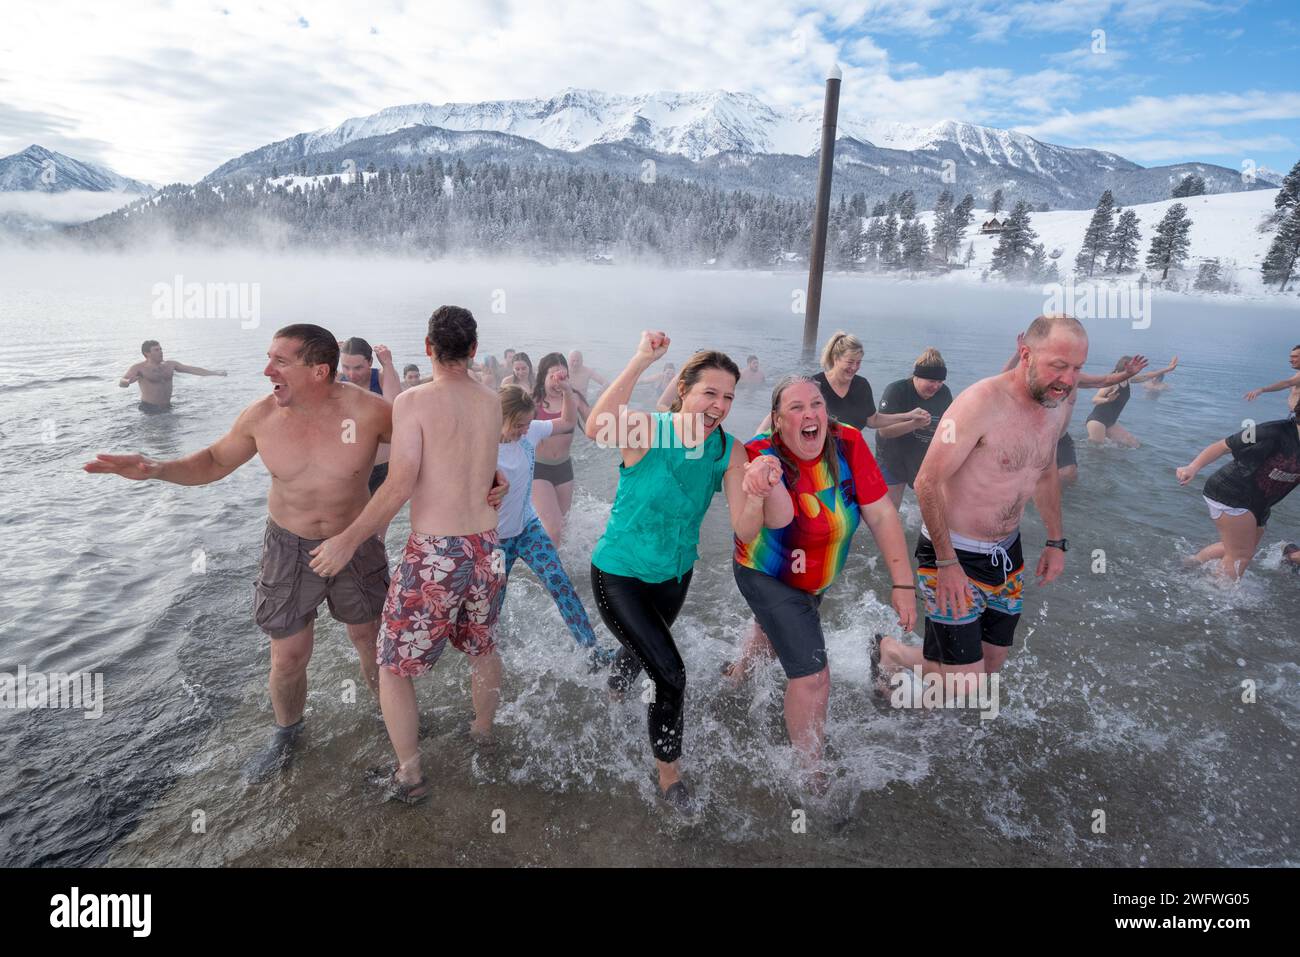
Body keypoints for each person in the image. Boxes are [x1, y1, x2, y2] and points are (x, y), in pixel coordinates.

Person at [89, 325, 393, 781]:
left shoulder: (370, 412)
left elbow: (424, 453)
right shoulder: (261, 417)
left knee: (369, 639)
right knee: (288, 655)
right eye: (269, 358)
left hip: (355, 541)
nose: (267, 369)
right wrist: (157, 469)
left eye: (280, 362)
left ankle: (389, 718)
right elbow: (213, 461)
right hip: (289, 546)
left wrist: (488, 479)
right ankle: (287, 733)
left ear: (319, 371)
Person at [308, 306, 510, 804]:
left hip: (437, 552)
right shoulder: (491, 401)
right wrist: (496, 483)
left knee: (393, 667)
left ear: (427, 348)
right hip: (488, 547)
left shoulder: (415, 402)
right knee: (482, 648)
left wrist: (347, 539)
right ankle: (483, 734)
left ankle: (410, 774)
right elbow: (480, 466)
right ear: (473, 349)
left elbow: (399, 484)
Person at [585, 333, 789, 815]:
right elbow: (596, 426)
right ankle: (669, 777)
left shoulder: (729, 451)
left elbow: (744, 526)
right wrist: (639, 359)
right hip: (619, 572)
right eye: (709, 393)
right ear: (683, 390)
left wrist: (758, 490)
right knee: (671, 673)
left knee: (641, 652)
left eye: (728, 398)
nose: (719, 406)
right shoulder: (647, 430)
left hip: (674, 578)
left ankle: (613, 694)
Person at [727, 375, 916, 789]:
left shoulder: (846, 441)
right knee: (813, 674)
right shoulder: (760, 455)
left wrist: (902, 583)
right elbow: (744, 522)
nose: (810, 414)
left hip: (815, 577)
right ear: (777, 421)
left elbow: (881, 514)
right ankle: (811, 771)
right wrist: (757, 482)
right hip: (766, 574)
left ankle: (738, 673)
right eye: (796, 408)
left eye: (816, 404)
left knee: (775, 633)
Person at [876, 314, 1083, 685]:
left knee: (988, 669)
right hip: (953, 552)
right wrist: (947, 562)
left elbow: (1046, 470)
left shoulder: (1059, 404)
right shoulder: (980, 403)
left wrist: (1055, 540)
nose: (1068, 380)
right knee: (963, 680)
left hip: (1007, 554)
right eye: (1059, 366)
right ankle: (892, 652)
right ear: (1026, 354)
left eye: (1077, 368)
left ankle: (919, 692)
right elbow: (926, 481)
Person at [494, 384, 611, 666]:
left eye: (527, 424)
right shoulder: (482, 446)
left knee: (559, 581)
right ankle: (490, 653)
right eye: (519, 425)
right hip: (495, 541)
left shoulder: (532, 430)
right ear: (502, 418)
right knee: (493, 597)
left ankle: (592, 650)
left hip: (528, 529)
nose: (525, 430)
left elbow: (568, 422)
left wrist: (568, 392)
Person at [1000, 337, 1148, 485]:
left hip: (1061, 437)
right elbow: (1003, 378)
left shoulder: (1075, 378)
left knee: (1069, 476)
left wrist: (1127, 374)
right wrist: (1017, 354)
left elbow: (1105, 380)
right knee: (1025, 478)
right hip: (1037, 437)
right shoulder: (1036, 376)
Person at [1176, 409, 1300, 580]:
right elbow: (1223, 446)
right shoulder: (1273, 431)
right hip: (1232, 490)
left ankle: (1191, 563)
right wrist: (1192, 467)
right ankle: (1217, 599)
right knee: (1241, 555)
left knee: (1236, 549)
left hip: (1262, 501)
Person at [874, 348, 954, 508]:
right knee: (889, 511)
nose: (936, 386)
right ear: (916, 376)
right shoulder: (896, 391)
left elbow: (949, 429)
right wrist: (913, 424)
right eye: (931, 381)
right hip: (892, 457)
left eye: (940, 382)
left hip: (923, 457)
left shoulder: (944, 393)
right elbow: (883, 431)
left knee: (937, 507)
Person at [810, 331, 928, 433]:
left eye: (858, 362)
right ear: (835, 358)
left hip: (852, 450)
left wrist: (909, 416)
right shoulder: (814, 385)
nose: (854, 367)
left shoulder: (861, 385)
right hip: (821, 451)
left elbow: (873, 420)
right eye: (850, 362)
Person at [340, 337, 401, 495]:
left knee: (377, 519)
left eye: (358, 367)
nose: (351, 374)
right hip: (348, 468)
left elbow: (394, 411)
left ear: (370, 362)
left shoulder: (381, 377)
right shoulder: (338, 381)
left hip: (381, 467)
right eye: (346, 367)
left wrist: (387, 364)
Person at [531, 353, 579, 547]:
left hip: (564, 469)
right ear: (543, 376)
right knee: (554, 527)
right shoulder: (533, 402)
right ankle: (549, 571)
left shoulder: (573, 398)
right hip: (538, 469)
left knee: (562, 526)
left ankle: (552, 560)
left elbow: (596, 423)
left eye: (563, 375)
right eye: (553, 375)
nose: (557, 381)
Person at [1085, 355, 1178, 446]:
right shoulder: (1112, 382)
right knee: (1098, 451)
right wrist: (1107, 399)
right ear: (1125, 367)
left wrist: (1168, 369)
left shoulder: (1127, 379)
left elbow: (1147, 376)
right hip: (1097, 421)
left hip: (1110, 422)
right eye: (1134, 367)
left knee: (1133, 444)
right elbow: (1095, 399)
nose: (1136, 371)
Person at [118, 340, 226, 413]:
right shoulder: (139, 367)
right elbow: (122, 381)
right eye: (156, 350)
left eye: (161, 349)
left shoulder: (170, 364)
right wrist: (126, 382)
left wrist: (216, 373)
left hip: (168, 407)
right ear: (147, 353)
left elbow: (192, 369)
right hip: (149, 409)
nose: (161, 352)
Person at [1244, 345, 1300, 412]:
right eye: (1291, 357)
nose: (1290, 360)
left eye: (1295, 357)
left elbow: (1287, 383)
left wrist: (1262, 389)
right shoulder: (1297, 374)